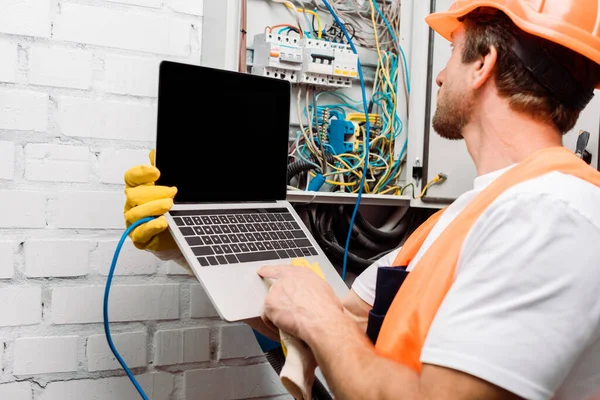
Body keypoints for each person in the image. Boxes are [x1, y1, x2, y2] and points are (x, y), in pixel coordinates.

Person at [124, 1, 600, 399]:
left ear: (482, 64)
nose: (438, 77)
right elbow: (336, 322)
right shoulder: (470, 214)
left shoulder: (551, 213)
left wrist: (318, 313)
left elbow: (327, 319)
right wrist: (187, 246)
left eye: (453, 52)